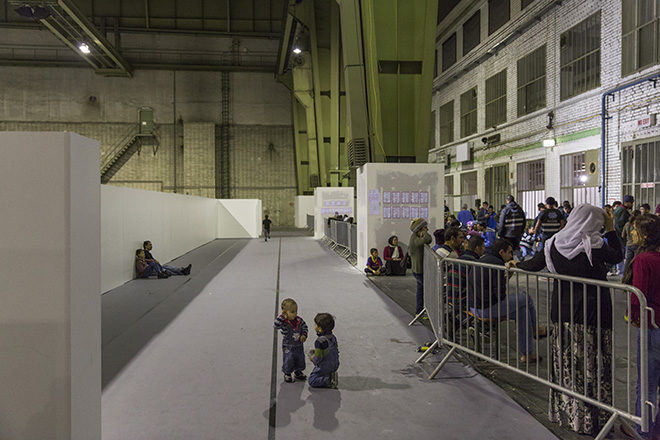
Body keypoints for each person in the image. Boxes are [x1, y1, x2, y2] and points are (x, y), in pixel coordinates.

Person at [516, 204, 622, 435]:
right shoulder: (595, 245)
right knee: (591, 367)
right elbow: (618, 255)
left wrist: (514, 264)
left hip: (562, 314)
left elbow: (534, 265)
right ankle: (591, 419)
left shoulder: (554, 243)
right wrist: (612, 228)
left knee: (566, 367)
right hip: (592, 315)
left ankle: (567, 414)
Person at [623, 215, 660, 438]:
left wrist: (632, 317)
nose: (632, 234)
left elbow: (639, 298)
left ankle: (642, 431)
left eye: (635, 230)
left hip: (652, 327)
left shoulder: (643, 260)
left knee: (646, 384)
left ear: (645, 235)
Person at [274, 298, 308, 383]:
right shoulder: (284, 322)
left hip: (299, 345)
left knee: (300, 358)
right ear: (285, 312)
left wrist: (304, 335)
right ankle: (287, 373)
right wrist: (282, 317)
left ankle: (298, 371)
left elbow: (305, 327)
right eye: (292, 312)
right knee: (288, 359)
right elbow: (276, 325)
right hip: (288, 345)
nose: (295, 314)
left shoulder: (299, 320)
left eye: (296, 311)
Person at [308, 313, 339, 389]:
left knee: (312, 380)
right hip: (335, 364)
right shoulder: (333, 337)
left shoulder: (319, 341)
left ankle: (329, 380)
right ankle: (329, 374)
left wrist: (312, 358)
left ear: (320, 329)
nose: (314, 326)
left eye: (315, 325)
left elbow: (318, 359)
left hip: (325, 366)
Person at [409, 218, 432, 315]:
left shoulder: (416, 237)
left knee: (421, 291)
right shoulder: (414, 239)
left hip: (420, 270)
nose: (427, 229)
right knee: (425, 291)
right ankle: (422, 311)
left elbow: (429, 239)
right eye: (425, 227)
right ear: (419, 229)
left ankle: (420, 311)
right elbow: (427, 239)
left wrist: (423, 233)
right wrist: (424, 233)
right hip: (419, 270)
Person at [498, 195, 526, 259]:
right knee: (516, 248)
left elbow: (501, 224)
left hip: (507, 234)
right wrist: (521, 231)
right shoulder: (520, 209)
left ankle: (511, 262)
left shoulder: (505, 210)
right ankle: (520, 258)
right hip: (517, 233)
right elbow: (524, 221)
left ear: (507, 201)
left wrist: (500, 234)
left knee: (508, 250)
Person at [614, 195, 635, 276]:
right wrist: (624, 236)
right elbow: (619, 226)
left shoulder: (619, 209)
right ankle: (623, 273)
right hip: (620, 238)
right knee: (622, 255)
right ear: (626, 202)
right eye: (631, 203)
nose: (632, 205)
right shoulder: (622, 211)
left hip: (618, 237)